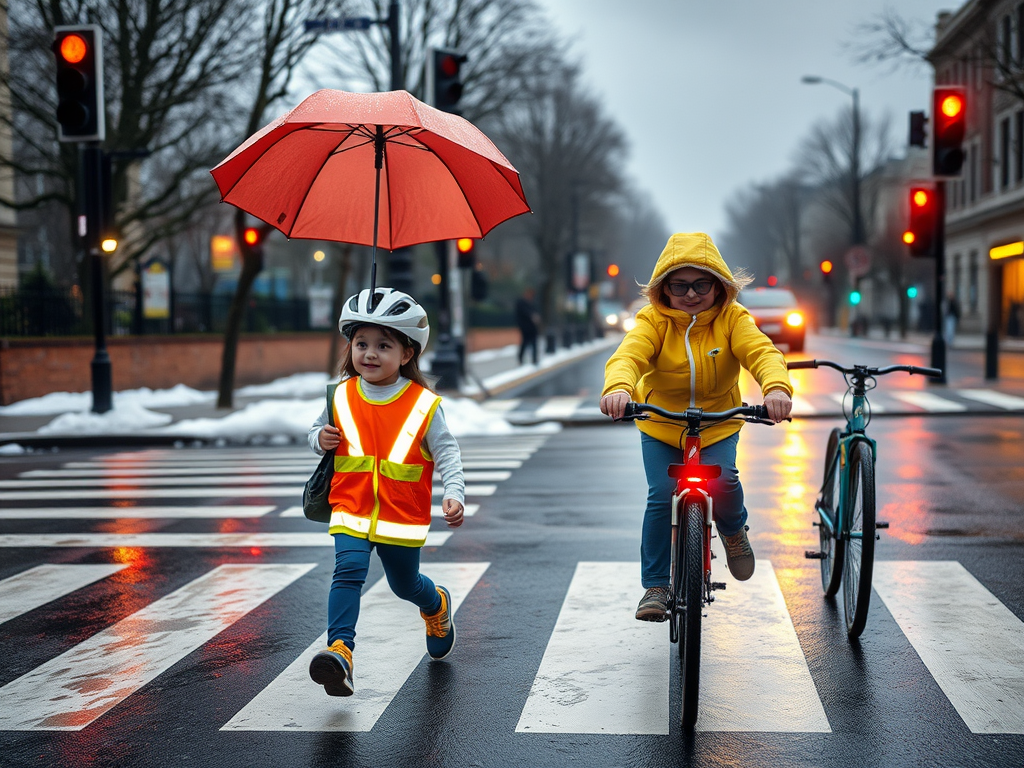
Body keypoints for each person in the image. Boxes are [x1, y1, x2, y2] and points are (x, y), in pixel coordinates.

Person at [599, 232, 793, 622]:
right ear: (663, 289)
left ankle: (734, 531)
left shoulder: (733, 319)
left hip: (717, 423)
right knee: (660, 496)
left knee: (724, 480)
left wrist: (775, 388)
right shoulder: (652, 321)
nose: (690, 294)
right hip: (661, 423)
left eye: (701, 284)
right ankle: (656, 585)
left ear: (719, 286)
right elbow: (628, 356)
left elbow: (762, 352)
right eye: (680, 285)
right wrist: (618, 387)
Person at [307, 287, 466, 697]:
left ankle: (436, 606)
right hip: (351, 507)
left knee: (404, 585)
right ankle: (340, 651)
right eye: (361, 343)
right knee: (348, 572)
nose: (370, 354)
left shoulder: (423, 404)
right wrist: (318, 438)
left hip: (401, 513)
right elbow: (315, 432)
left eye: (383, 345)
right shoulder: (340, 395)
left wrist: (455, 492)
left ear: (407, 354)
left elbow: (446, 450)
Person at [515, 287, 541, 365]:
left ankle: (534, 359)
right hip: (525, 327)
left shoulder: (532, 303)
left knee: (534, 343)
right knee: (524, 343)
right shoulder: (521, 302)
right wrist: (532, 316)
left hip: (533, 328)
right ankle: (520, 358)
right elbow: (523, 313)